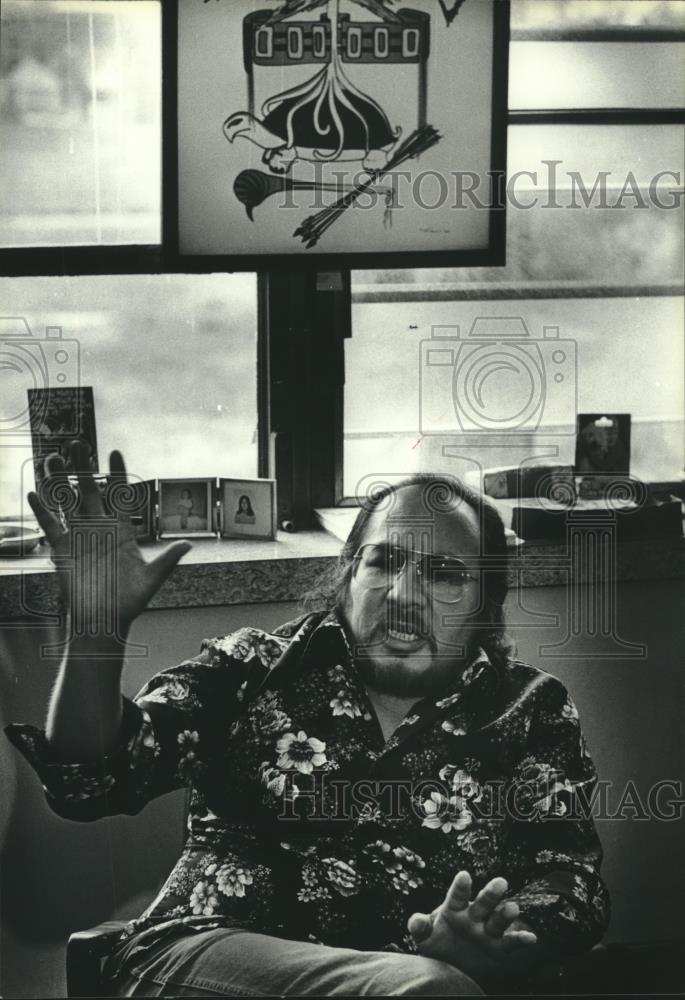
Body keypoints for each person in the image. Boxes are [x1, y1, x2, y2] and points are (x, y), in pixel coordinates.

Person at [6, 442, 610, 997]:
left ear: (488, 605)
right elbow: (92, 781)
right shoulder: (252, 668)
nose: (403, 593)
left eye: (444, 574)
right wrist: (95, 632)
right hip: (203, 959)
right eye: (384, 562)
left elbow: (570, 880)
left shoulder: (532, 709)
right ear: (348, 576)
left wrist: (495, 941)